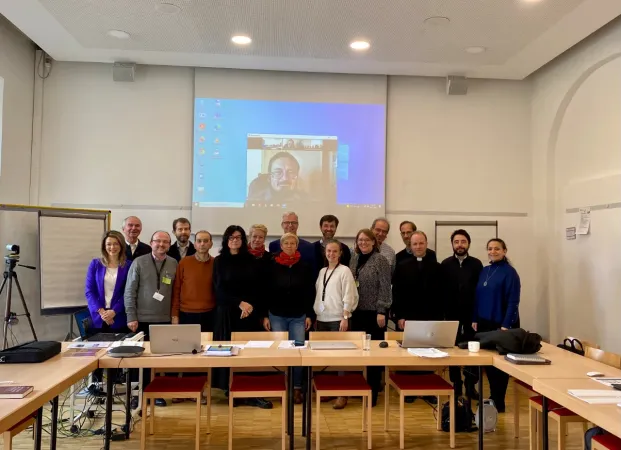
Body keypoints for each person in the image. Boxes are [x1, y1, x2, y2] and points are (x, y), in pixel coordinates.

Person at [213, 226, 271, 409]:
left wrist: (249, 305)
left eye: (238, 237)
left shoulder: (252, 260)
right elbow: (218, 290)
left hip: (248, 314)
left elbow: (258, 288)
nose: (235, 240)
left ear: (243, 240)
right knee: (230, 353)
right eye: (231, 237)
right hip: (228, 312)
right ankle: (231, 390)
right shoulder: (220, 261)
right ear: (226, 239)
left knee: (248, 354)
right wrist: (239, 303)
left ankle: (250, 393)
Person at [124, 230, 178, 407]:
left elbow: (175, 292)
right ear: (151, 242)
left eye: (165, 242)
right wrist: (131, 316)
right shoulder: (139, 262)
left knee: (157, 359)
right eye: (157, 241)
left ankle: (154, 393)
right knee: (139, 358)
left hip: (163, 319)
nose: (161, 245)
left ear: (169, 245)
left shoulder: (173, 263)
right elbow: (129, 291)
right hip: (140, 319)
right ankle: (137, 394)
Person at [263, 233, 315, 404]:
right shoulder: (271, 264)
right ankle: (282, 385)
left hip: (298, 315)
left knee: (298, 351)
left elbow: (310, 292)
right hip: (276, 314)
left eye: (293, 243)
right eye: (287, 243)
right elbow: (264, 291)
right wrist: (264, 315)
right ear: (281, 245)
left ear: (297, 246)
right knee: (280, 352)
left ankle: (297, 387)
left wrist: (309, 315)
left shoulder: (305, 266)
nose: (290, 245)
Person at [472, 238, 521, 413]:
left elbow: (513, 301)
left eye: (497, 249)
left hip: (502, 325)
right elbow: (477, 297)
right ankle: (493, 396)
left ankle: (499, 400)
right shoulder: (485, 271)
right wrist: (475, 318)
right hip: (485, 323)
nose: (493, 251)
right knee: (489, 363)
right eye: (490, 249)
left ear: (504, 251)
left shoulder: (510, 272)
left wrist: (506, 325)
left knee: (500, 364)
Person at [314, 239, 358, 409]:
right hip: (322, 319)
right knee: (326, 359)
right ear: (325, 253)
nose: (331, 254)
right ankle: (330, 390)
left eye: (335, 251)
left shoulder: (344, 271)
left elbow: (350, 294)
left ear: (340, 254)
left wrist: (345, 316)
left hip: (338, 320)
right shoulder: (322, 271)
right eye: (328, 251)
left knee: (341, 359)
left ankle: (342, 393)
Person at [349, 228, 392, 406]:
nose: (363, 243)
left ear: (374, 242)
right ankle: (361, 389)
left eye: (367, 240)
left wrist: (382, 311)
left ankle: (373, 392)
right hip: (357, 313)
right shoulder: (354, 259)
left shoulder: (380, 260)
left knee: (373, 354)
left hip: (375, 314)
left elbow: (385, 287)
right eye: (360, 240)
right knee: (359, 353)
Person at [441, 229, 483, 399]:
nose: (460, 245)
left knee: (473, 351)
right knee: (453, 350)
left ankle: (470, 385)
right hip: (451, 315)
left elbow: (480, 292)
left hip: (471, 315)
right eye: (456, 242)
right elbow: (440, 291)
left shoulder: (476, 264)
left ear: (468, 244)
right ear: (452, 244)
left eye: (463, 242)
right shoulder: (445, 264)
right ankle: (456, 384)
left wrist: (477, 315)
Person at [391, 231, 443, 328]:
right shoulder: (402, 267)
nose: (418, 247)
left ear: (426, 244)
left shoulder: (437, 267)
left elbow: (441, 294)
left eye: (421, 243)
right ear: (410, 246)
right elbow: (397, 293)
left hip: (432, 317)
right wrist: (400, 316)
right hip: (409, 317)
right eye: (415, 244)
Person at [85, 230, 131, 332]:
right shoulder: (95, 264)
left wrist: (114, 311)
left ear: (121, 245)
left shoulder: (129, 266)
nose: (112, 247)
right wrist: (102, 312)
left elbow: (128, 293)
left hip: (119, 317)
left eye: (116, 244)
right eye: (108, 244)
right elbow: (89, 291)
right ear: (104, 246)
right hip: (98, 317)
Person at [171, 230, 216, 332]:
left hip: (210, 314)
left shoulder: (216, 263)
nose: (202, 244)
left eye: (205, 241)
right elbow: (176, 290)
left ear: (211, 244)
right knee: (186, 346)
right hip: (187, 314)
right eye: (199, 241)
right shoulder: (184, 262)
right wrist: (175, 315)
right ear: (195, 244)